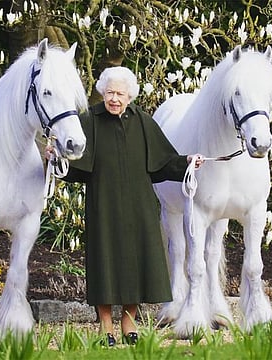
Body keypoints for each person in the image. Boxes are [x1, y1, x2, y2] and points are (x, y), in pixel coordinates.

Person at [47, 66, 203, 346]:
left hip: (138, 205)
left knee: (136, 262)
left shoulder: (142, 121)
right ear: (102, 93)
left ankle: (128, 320)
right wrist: (54, 157)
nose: (114, 99)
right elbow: (74, 165)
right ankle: (105, 323)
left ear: (129, 95)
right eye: (109, 93)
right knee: (104, 262)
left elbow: (163, 162)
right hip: (103, 204)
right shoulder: (90, 121)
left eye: (119, 93)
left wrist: (188, 161)